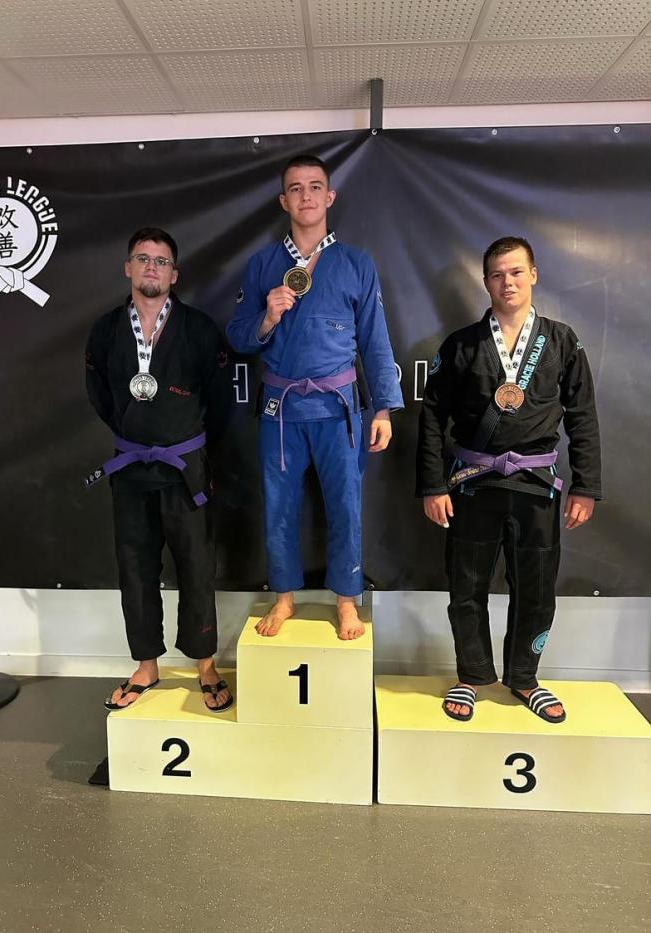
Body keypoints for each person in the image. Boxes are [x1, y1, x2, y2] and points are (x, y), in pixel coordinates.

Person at [416, 236, 602, 723]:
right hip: (473, 483)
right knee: (466, 586)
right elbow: (432, 418)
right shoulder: (461, 345)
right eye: (497, 275)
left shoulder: (562, 341)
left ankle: (524, 677)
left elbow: (582, 415)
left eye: (517, 272)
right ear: (485, 282)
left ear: (533, 275)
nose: (508, 282)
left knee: (536, 589)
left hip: (536, 484)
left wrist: (586, 485)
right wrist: (433, 485)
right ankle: (471, 675)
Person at [227, 154, 403, 639]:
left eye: (314, 187)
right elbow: (239, 337)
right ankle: (283, 597)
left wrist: (383, 408)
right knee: (278, 507)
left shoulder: (356, 264)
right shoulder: (262, 265)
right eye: (295, 188)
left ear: (329, 197)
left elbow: (375, 340)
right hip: (281, 410)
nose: (305, 196)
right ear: (284, 201)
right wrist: (267, 316)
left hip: (338, 409)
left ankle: (346, 600)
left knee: (345, 506)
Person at [85, 227, 233, 712]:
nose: (152, 267)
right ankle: (146, 663)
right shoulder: (106, 331)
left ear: (175, 274)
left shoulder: (199, 329)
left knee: (197, 566)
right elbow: (100, 395)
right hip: (131, 468)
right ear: (128, 267)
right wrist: (135, 434)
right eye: (143, 258)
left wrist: (185, 438)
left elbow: (219, 400)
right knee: (135, 566)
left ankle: (205, 664)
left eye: (162, 261)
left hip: (185, 466)